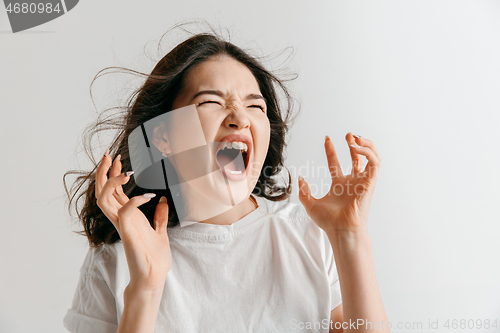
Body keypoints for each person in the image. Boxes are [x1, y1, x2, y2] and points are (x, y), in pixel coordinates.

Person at [63, 29, 389, 333]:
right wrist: (144, 291)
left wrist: (349, 237)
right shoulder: (114, 261)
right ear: (163, 137)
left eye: (255, 105)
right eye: (210, 101)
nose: (240, 118)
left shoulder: (310, 237)